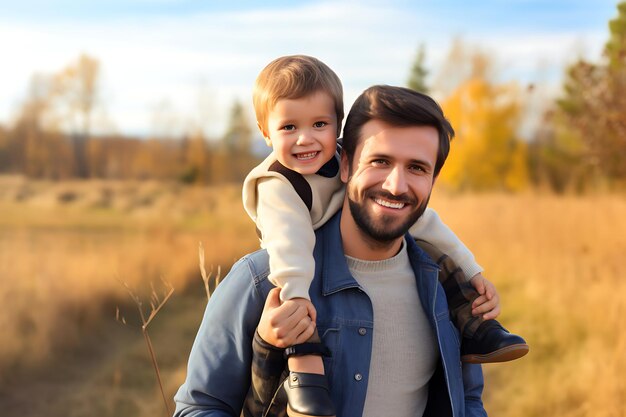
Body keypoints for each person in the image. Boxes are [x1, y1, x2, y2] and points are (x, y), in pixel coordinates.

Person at [173, 84, 513, 417]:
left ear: (432, 182)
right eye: (380, 161)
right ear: (345, 165)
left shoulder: (447, 287)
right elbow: (199, 408)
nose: (396, 185)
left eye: (416, 168)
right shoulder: (261, 281)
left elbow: (467, 401)